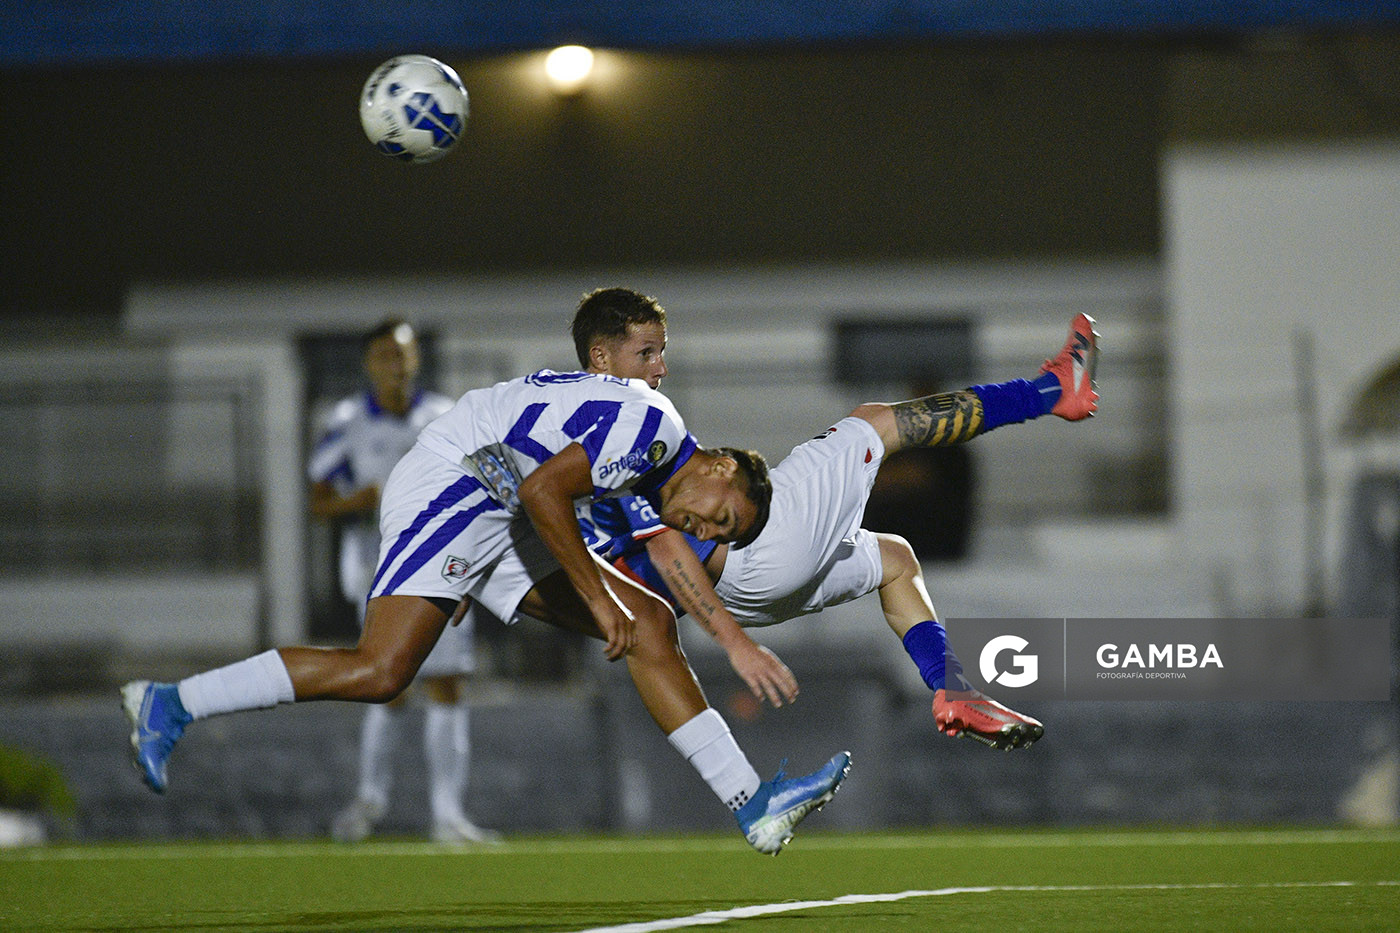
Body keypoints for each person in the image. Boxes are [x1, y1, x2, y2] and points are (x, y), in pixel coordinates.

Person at [123, 301, 851, 856]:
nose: (707, 531)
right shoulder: (653, 428)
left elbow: (555, 494)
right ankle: (170, 702)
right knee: (382, 672)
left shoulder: (655, 448)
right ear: (721, 466)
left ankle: (751, 802)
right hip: (457, 485)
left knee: (653, 624)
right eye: (721, 517)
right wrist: (594, 599)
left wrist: (480, 575)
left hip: (495, 498)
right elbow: (543, 494)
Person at [567, 288, 1099, 748]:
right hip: (756, 557)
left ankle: (952, 688)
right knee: (874, 423)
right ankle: (1053, 391)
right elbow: (662, 541)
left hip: (745, 595)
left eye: (661, 352)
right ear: (601, 356)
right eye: (646, 353)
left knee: (894, 559)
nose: (660, 367)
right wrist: (734, 643)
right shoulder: (621, 417)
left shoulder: (566, 432)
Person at [308, 318, 496, 844]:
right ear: (369, 363)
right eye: (385, 355)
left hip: (441, 564)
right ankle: (370, 801)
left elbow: (479, 489)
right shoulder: (346, 422)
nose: (396, 364)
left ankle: (448, 814)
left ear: (416, 360)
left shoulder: (443, 416)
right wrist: (360, 501)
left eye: (403, 354)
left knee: (447, 683)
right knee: (385, 685)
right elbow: (318, 501)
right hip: (377, 566)